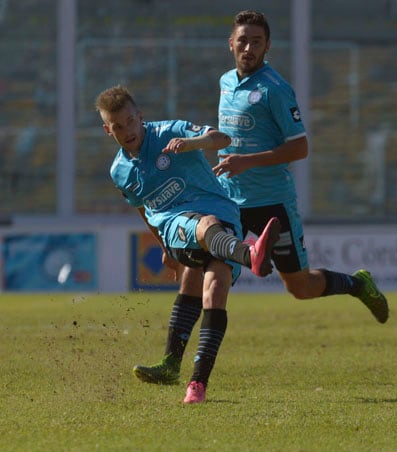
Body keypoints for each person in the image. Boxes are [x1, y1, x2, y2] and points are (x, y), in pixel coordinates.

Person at [96, 85, 281, 404]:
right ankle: (249, 253)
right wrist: (164, 247)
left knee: (214, 286)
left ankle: (192, 381)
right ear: (107, 129)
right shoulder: (119, 171)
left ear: (141, 116)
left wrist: (190, 144)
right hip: (174, 223)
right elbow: (143, 209)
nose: (127, 131)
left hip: (222, 211)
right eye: (117, 127)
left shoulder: (170, 130)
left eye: (130, 121)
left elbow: (222, 139)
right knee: (204, 227)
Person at [214, 10, 389, 322]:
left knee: (300, 287)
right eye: (243, 41)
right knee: (211, 273)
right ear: (231, 44)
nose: (249, 48)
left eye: (257, 42)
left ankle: (357, 284)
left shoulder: (275, 89)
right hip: (231, 200)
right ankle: (183, 359)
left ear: (268, 46)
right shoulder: (226, 82)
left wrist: (246, 161)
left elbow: (300, 147)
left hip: (272, 204)